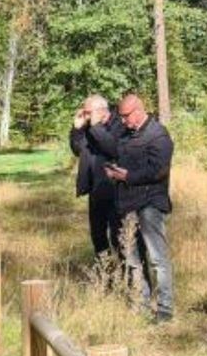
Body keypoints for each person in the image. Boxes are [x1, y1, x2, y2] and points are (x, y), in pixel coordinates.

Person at [105, 93, 175, 323]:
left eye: (125, 116)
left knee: (157, 258)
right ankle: (143, 303)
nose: (122, 121)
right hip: (127, 204)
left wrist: (128, 175)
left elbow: (159, 170)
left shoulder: (158, 135)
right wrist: (115, 173)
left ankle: (165, 309)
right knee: (132, 259)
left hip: (150, 204)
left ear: (137, 111)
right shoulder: (125, 135)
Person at [69, 94, 124, 263]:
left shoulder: (118, 124)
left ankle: (126, 278)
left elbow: (113, 149)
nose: (85, 116)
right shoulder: (89, 127)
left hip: (116, 189)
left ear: (101, 111)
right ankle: (105, 275)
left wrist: (95, 127)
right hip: (96, 189)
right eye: (84, 112)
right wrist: (77, 129)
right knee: (98, 236)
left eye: (88, 112)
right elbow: (78, 149)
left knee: (118, 236)